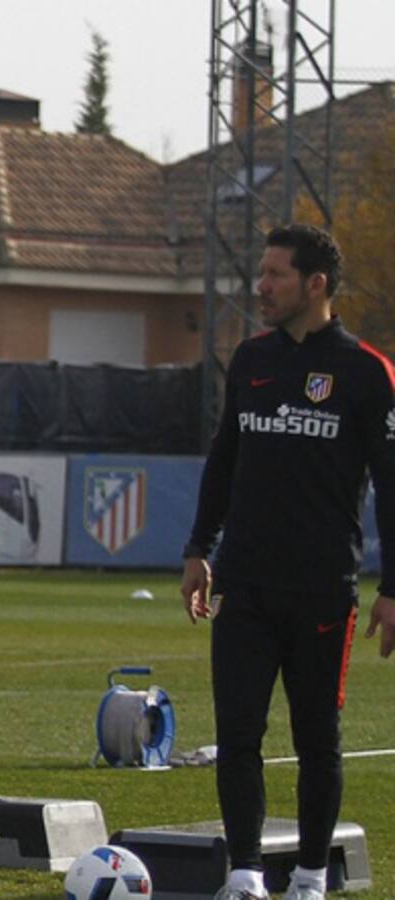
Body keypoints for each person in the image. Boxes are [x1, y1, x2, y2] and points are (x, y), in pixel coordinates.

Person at [181, 223, 395, 900]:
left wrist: (394, 588)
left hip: (323, 590)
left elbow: (392, 484)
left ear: (316, 285)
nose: (261, 286)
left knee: (317, 741)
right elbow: (224, 461)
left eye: (275, 275)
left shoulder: (367, 372)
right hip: (243, 584)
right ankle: (244, 873)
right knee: (237, 732)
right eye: (262, 273)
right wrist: (198, 548)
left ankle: (306, 877)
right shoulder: (250, 360)